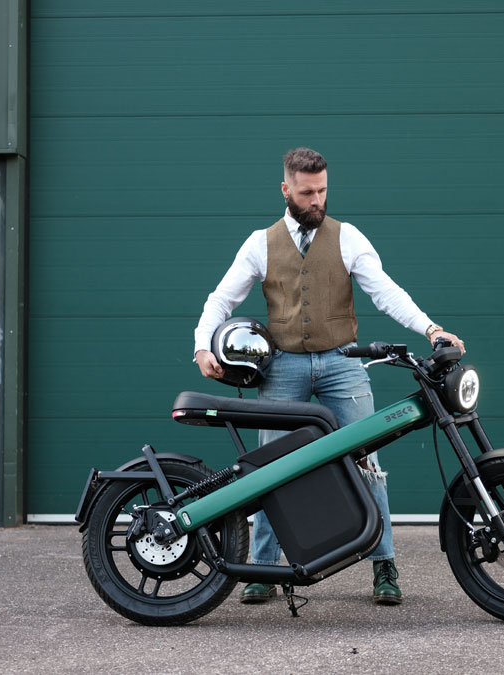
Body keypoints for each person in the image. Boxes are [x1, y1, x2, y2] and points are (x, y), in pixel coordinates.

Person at [193, 147, 464, 606]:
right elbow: (221, 300)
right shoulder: (260, 243)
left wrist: (431, 328)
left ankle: (384, 566)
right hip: (282, 367)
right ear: (286, 190)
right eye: (306, 192)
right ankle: (264, 568)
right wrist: (202, 345)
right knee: (271, 468)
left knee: (369, 463)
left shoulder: (348, 237)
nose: (317, 200)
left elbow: (385, 292)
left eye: (322, 190)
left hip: (342, 362)